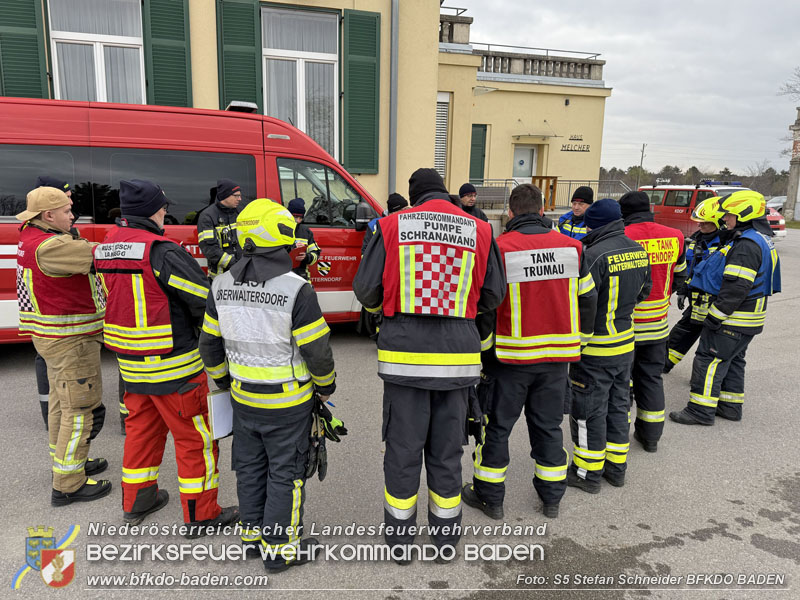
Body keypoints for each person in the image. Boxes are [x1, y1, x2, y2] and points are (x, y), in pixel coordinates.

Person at [353, 168, 506, 562]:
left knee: (403, 451)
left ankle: (401, 543)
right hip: (457, 363)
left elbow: (367, 290)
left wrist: (383, 313)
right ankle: (445, 541)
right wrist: (461, 310)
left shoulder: (390, 226)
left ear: (413, 195)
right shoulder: (480, 230)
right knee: (446, 452)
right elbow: (493, 295)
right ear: (446, 193)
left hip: (404, 362)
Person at [199, 199, 335, 573]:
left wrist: (225, 381)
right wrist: (327, 387)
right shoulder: (296, 289)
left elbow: (208, 345)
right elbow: (317, 351)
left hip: (243, 399)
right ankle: (280, 550)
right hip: (287, 403)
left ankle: (251, 537)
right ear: (283, 238)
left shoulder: (221, 284)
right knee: (286, 473)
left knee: (250, 467)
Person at [94, 179, 238, 533]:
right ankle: (201, 514)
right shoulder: (162, 251)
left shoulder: (104, 247)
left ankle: (138, 500)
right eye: (162, 208)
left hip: (129, 365)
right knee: (195, 439)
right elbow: (204, 302)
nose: (165, 213)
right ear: (149, 212)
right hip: (175, 367)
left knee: (141, 432)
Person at [463, 184, 597, 519]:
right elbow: (589, 298)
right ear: (543, 211)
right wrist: (580, 341)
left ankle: (490, 498)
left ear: (510, 213)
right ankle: (552, 500)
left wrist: (481, 353)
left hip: (509, 361)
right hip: (556, 362)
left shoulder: (500, 248)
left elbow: (485, 308)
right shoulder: (573, 248)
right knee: (549, 429)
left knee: (495, 429)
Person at [16, 186, 110, 505]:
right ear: (48, 215)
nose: (73, 216)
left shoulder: (31, 236)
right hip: (71, 340)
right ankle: (69, 483)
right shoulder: (52, 245)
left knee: (60, 404)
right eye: (68, 211)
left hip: (53, 339)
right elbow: (101, 255)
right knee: (80, 408)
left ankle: (67, 464)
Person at [669, 191, 780, 426]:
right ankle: (730, 406)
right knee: (734, 360)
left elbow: (736, 288)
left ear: (743, 214)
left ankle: (699, 411)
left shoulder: (745, 245)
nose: (725, 219)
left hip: (733, 318)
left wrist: (715, 316)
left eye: (729, 215)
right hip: (750, 319)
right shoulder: (760, 238)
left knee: (709, 360)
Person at [567, 198, 651, 493]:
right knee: (619, 407)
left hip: (596, 349)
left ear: (594, 224)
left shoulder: (592, 255)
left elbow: (581, 302)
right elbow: (645, 291)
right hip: (625, 344)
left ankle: (587, 473)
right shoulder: (639, 251)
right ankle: (616, 469)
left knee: (588, 411)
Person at [619, 191, 686, 453]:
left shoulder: (624, 237)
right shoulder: (675, 236)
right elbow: (680, 276)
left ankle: (618, 440)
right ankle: (650, 437)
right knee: (651, 379)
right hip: (658, 324)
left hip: (627, 325)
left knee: (621, 383)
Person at [30, 176, 74, 429]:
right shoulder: (47, 235)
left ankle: (53, 418)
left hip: (49, 315)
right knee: (49, 366)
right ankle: (51, 417)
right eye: (66, 199)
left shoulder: (36, 228)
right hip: (56, 318)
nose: (71, 204)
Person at [664, 199, 721, 373]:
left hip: (714, 300)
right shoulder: (697, 240)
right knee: (683, 332)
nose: (700, 225)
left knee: (709, 340)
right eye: (700, 222)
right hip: (696, 298)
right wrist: (683, 289)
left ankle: (702, 376)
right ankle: (664, 363)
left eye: (705, 222)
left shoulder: (724, 243)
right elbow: (689, 268)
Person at [197, 179, 244, 279]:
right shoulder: (207, 216)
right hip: (220, 277)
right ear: (225, 195)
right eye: (236, 196)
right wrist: (235, 264)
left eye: (240, 196)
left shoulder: (241, 213)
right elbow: (210, 249)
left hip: (242, 275)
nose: (240, 199)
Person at [286, 198, 321, 281]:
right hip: (283, 276)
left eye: (300, 218)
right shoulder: (280, 229)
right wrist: (291, 248)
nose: (298, 220)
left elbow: (316, 253)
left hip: (301, 278)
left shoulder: (306, 231)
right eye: (295, 217)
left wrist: (306, 257)